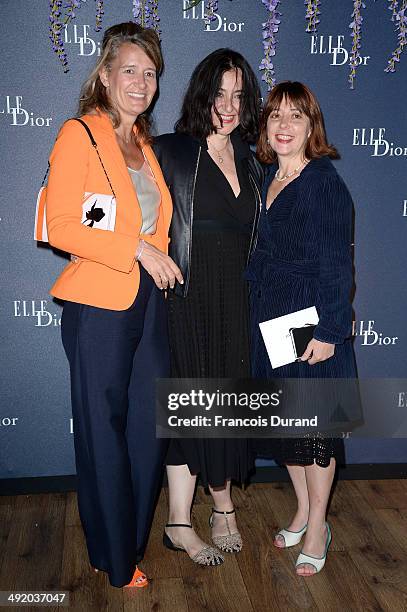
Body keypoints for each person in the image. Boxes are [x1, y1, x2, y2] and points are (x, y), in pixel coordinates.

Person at [45, 22, 182, 588]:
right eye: (129, 69)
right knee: (103, 431)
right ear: (104, 75)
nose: (141, 81)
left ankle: (127, 543)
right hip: (99, 301)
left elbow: (159, 223)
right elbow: (61, 227)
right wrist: (137, 249)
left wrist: (156, 258)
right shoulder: (80, 134)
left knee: (147, 431)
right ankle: (115, 558)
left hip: (149, 302)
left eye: (150, 73)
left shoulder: (145, 146)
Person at [153, 49, 263, 566]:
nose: (229, 104)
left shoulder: (250, 157)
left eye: (239, 95)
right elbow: (134, 213)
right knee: (190, 401)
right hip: (190, 296)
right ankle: (179, 520)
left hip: (237, 296)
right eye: (220, 92)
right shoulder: (171, 151)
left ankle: (221, 507)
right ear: (202, 93)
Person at [247, 81, 357, 576]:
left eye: (296, 116)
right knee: (287, 427)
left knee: (316, 432)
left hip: (310, 321)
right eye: (275, 117)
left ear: (312, 126)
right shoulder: (267, 175)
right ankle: (301, 508)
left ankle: (318, 525)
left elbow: (338, 265)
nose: (284, 126)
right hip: (271, 315)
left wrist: (331, 330)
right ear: (266, 128)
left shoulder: (324, 183)